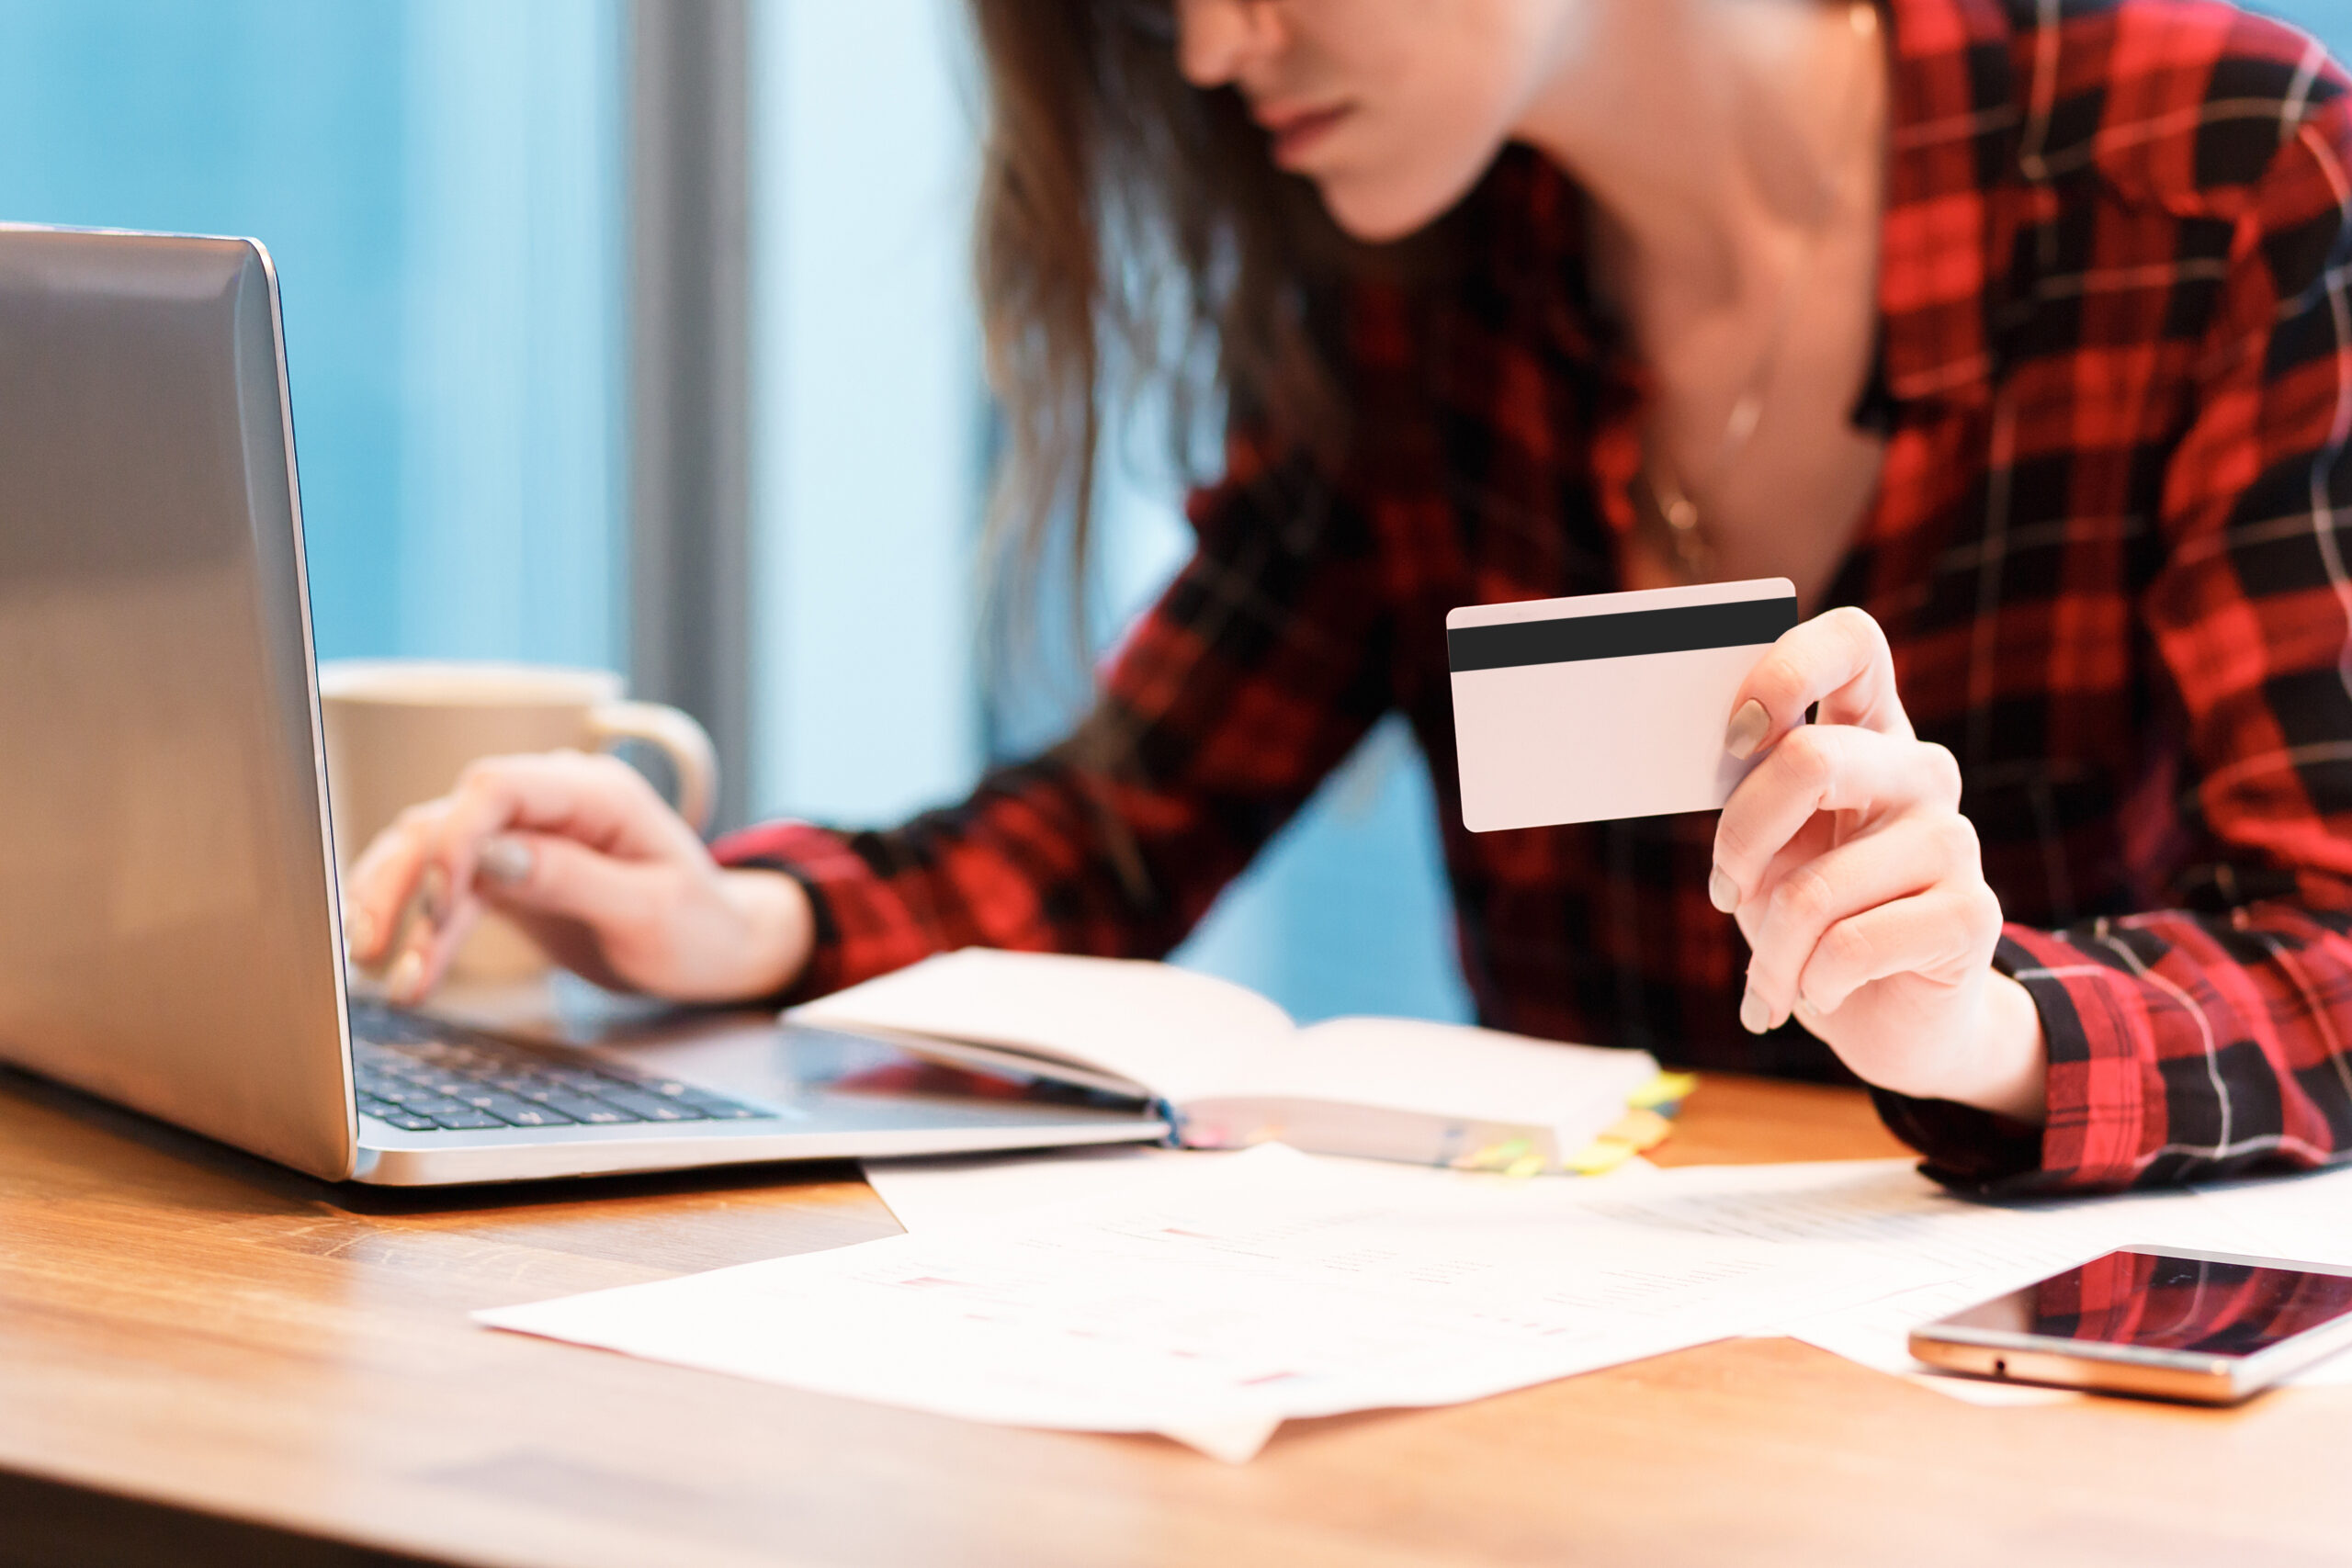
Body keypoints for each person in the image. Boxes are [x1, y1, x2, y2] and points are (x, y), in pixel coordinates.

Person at [344, 0, 2352, 1194]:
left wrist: (1982, 1024)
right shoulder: (1401, 299)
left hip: (2070, 1427)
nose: (1211, 50)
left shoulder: (2221, 176)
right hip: (1570, 1405)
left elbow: (2335, 964)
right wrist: (729, 914)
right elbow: (1119, 820)